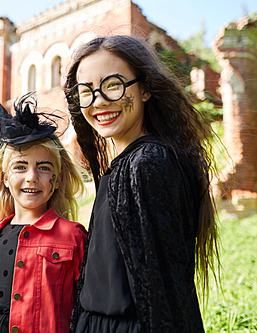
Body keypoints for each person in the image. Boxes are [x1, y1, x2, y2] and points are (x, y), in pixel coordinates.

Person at [63, 35, 220, 332]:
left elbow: (161, 295)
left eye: (112, 84)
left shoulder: (147, 163)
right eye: (86, 91)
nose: (98, 101)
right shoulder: (128, 163)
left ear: (145, 88)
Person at [0, 95, 87, 333]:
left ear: (58, 178)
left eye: (44, 168)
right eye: (20, 166)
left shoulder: (73, 236)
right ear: (5, 178)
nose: (32, 177)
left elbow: (86, 308)